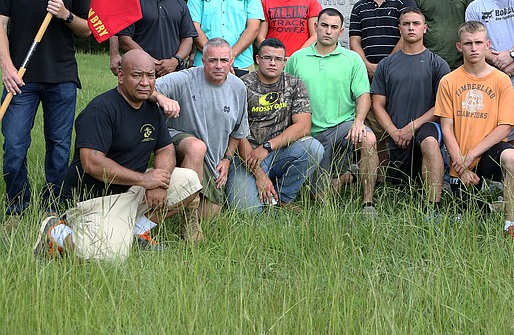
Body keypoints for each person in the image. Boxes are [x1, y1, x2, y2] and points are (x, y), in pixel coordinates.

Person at [34, 50, 202, 261]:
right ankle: (56, 232)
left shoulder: (151, 108)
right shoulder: (101, 110)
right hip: (95, 200)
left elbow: (165, 149)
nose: (145, 82)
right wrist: (145, 180)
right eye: (137, 75)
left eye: (150, 76)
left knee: (189, 181)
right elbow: (92, 163)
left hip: (132, 191)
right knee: (108, 255)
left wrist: (159, 181)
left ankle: (136, 232)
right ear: (121, 76)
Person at [0, 0, 91, 221]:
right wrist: (7, 68)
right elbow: (1, 26)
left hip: (61, 77)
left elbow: (87, 31)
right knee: (14, 147)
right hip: (20, 79)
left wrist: (65, 14)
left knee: (59, 148)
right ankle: (17, 205)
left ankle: (52, 205)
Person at [285, 8, 380, 216]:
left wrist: (358, 122)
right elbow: (286, 94)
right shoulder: (297, 59)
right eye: (324, 25)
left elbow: (364, 94)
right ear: (316, 27)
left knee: (369, 139)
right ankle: (349, 176)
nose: (328, 31)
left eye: (334, 27)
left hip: (343, 127)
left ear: (341, 31)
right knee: (320, 199)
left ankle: (368, 203)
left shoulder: (352, 59)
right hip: (309, 133)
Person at [435, 21, 514, 237]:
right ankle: (489, 206)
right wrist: (463, 167)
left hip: (485, 154)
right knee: (464, 221)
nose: (473, 48)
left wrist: (473, 155)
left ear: (487, 45)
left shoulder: (501, 80)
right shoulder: (448, 81)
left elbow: (506, 127)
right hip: (460, 159)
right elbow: (447, 128)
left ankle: (510, 225)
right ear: (459, 46)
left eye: (478, 43)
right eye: (468, 43)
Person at [151, 38, 250, 224]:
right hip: (179, 145)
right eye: (212, 60)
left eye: (223, 60)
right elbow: (147, 87)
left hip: (213, 161)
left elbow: (238, 131)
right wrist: (161, 98)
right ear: (203, 61)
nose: (218, 66)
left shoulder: (239, 88)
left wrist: (227, 160)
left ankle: (190, 210)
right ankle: (189, 221)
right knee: (197, 147)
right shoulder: (186, 78)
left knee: (208, 217)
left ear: (231, 62)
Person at [227, 38, 324, 212]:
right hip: (246, 156)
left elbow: (303, 126)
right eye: (267, 58)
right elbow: (236, 132)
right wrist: (259, 175)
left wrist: (268, 147)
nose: (273, 63)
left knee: (314, 148)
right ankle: (262, 190)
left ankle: (283, 197)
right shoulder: (241, 85)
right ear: (257, 59)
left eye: (278, 59)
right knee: (247, 211)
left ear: (285, 62)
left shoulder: (295, 84)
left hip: (279, 152)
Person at [371, 8, 451, 209]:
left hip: (426, 127)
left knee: (430, 142)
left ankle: (433, 207)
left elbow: (441, 106)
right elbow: (377, 104)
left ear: (425, 28)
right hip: (395, 134)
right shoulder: (386, 65)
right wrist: (394, 131)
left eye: (416, 24)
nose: (411, 28)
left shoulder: (437, 64)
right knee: (400, 187)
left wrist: (411, 127)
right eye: (406, 24)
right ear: (399, 29)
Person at [349, 0, 415, 79]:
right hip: (367, 73)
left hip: (399, 71)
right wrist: (366, 66)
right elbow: (354, 41)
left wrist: (386, 65)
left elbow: (408, 36)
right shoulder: (359, 8)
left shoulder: (404, 1)